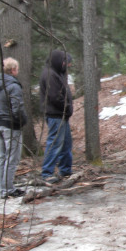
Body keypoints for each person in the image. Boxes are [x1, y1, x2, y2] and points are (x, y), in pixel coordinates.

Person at [0, 58, 27, 199]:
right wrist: (21, 121)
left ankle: (3, 188)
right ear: (13, 70)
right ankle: (7, 189)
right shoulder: (13, 86)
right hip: (11, 126)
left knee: (2, 158)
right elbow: (18, 107)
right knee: (12, 158)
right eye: (17, 68)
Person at [40, 49, 73, 183]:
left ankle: (65, 170)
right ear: (60, 61)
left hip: (61, 116)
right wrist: (66, 107)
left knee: (66, 144)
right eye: (66, 62)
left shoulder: (58, 73)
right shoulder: (49, 75)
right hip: (55, 115)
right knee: (54, 144)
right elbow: (55, 97)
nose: (68, 66)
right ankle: (47, 173)